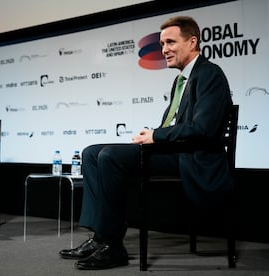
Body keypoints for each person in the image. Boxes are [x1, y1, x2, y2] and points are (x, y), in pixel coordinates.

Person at [59, 16, 233, 270]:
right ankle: (100, 238)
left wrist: (156, 135)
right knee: (91, 153)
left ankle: (113, 247)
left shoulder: (210, 74)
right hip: (173, 152)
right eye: (162, 44)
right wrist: (153, 136)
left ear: (192, 42)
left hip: (193, 159)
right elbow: (174, 124)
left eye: (170, 42)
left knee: (109, 156)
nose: (164, 50)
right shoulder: (181, 80)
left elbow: (202, 129)